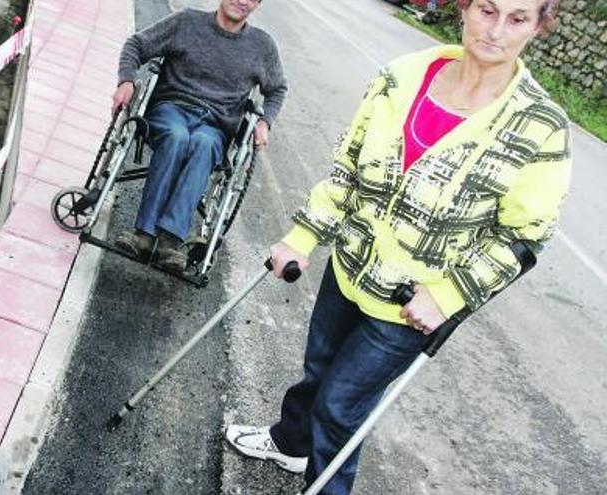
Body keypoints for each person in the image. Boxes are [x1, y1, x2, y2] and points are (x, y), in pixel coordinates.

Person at [224, 0, 572, 493]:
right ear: (466, 9)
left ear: (538, 27)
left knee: (341, 406)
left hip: (412, 303)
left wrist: (449, 294)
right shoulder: (402, 77)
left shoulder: (540, 126)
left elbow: (525, 236)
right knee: (317, 370)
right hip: (349, 266)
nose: (495, 31)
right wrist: (302, 238)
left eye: (517, 19)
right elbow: (349, 168)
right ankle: (289, 443)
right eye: (487, 11)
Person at [112, 0, 288, 272]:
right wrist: (126, 81)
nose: (242, 1)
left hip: (215, 127)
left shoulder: (262, 46)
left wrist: (265, 122)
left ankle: (170, 241)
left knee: (203, 144)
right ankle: (144, 234)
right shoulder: (186, 22)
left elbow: (277, 89)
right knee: (177, 137)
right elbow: (136, 45)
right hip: (171, 110)